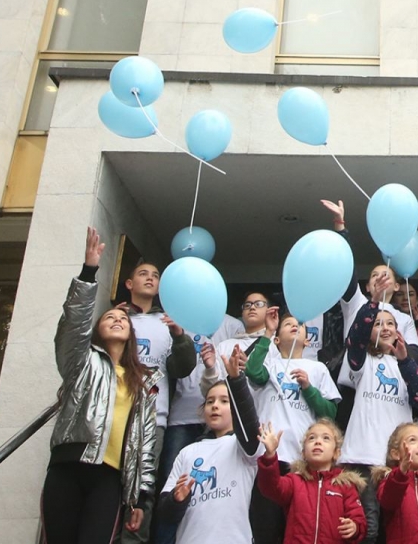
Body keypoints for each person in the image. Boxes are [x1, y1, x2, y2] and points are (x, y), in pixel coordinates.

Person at [42, 228, 158, 544]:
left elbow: (146, 444)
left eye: (123, 319)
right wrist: (88, 272)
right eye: (109, 318)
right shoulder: (81, 362)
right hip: (69, 466)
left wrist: (141, 498)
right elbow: (73, 325)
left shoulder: (144, 382)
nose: (118, 319)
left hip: (111, 476)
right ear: (97, 330)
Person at [340, 285, 418, 544]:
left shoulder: (406, 366)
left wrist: (404, 360)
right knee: (369, 526)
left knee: (399, 527)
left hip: (398, 461)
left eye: (390, 323)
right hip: (365, 457)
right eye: (378, 323)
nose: (386, 327)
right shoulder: (361, 362)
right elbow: (355, 339)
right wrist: (373, 303)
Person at [246, 312, 344, 543]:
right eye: (287, 324)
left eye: (299, 325)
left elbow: (330, 413)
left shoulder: (317, 368)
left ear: (308, 340)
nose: (294, 326)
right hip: (269, 456)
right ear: (277, 339)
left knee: (297, 524)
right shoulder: (270, 364)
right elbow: (253, 371)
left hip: (302, 460)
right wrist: (267, 333)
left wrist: (308, 388)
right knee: (266, 525)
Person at [120, 259, 196, 544]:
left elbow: (183, 368)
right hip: (116, 414)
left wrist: (179, 336)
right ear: (129, 284)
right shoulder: (117, 318)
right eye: (143, 274)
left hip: (154, 417)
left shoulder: (168, 322)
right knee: (110, 482)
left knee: (143, 490)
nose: (150, 278)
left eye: (155, 275)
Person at [157, 347, 261, 544]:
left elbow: (249, 424)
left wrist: (236, 381)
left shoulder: (243, 448)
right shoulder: (187, 452)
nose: (215, 406)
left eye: (224, 401)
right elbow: (165, 513)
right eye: (209, 401)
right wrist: (176, 500)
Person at [255, 420, 367, 544]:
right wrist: (270, 455)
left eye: (326, 438)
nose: (318, 441)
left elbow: (359, 520)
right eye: (312, 438)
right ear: (303, 453)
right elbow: (271, 487)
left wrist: (355, 527)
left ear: (336, 453)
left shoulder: (345, 485)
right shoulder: (294, 481)